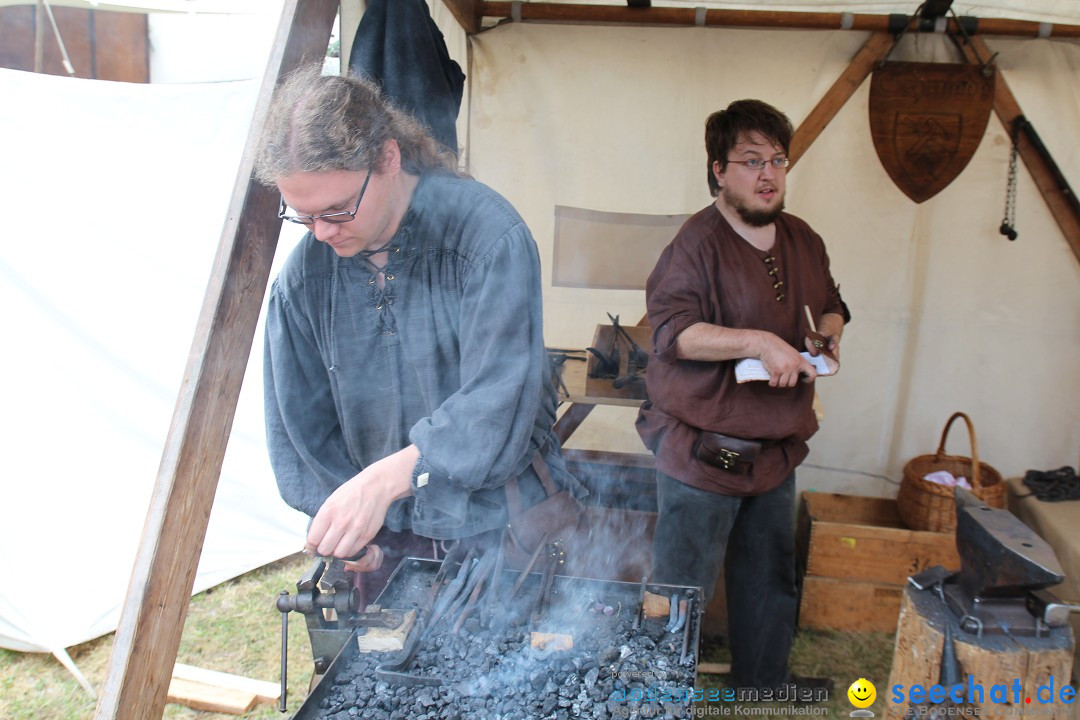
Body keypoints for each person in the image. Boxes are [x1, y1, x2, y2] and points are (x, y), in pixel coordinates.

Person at [255, 66, 581, 601]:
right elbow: (299, 429)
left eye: (338, 210)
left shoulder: (487, 239)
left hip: (503, 528)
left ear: (388, 157)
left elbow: (501, 397)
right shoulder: (302, 281)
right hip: (383, 545)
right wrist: (349, 520)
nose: (323, 233)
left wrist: (386, 480)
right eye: (305, 216)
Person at [636, 99, 849, 690]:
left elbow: (832, 304)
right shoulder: (694, 244)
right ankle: (656, 692)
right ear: (718, 170)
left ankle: (763, 686)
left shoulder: (804, 238)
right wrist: (758, 342)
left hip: (776, 449)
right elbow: (674, 334)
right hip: (703, 452)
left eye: (778, 160)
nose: (768, 174)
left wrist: (827, 338)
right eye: (751, 160)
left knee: (769, 580)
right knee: (680, 588)